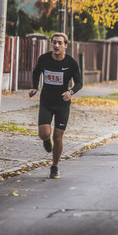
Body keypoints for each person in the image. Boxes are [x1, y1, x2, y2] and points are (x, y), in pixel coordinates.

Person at [29, 33, 82, 179]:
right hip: (46, 101)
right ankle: (46, 140)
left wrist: (70, 92)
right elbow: (36, 72)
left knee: (58, 136)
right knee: (44, 134)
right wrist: (34, 87)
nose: (56, 45)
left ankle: (55, 166)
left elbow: (79, 83)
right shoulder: (44, 59)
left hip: (62, 104)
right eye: (54, 43)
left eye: (60, 43)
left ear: (65, 45)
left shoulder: (71, 63)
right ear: (51, 44)